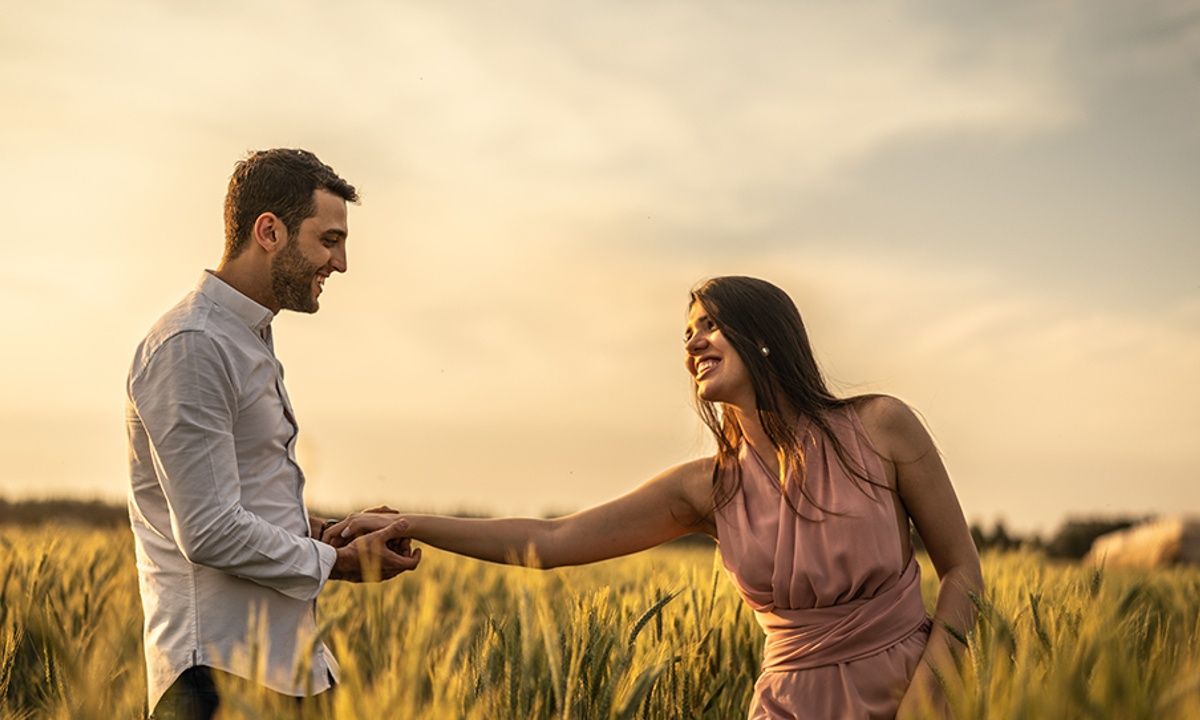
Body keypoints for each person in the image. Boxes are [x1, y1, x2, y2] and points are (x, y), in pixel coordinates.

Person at [331, 276, 982, 719]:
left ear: (765, 335)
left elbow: (962, 568)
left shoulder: (880, 425)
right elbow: (554, 541)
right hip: (788, 705)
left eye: (710, 326)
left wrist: (930, 691)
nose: (693, 343)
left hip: (912, 694)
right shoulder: (708, 486)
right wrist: (410, 519)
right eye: (687, 334)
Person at [126, 148, 421, 720]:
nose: (340, 264)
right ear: (269, 231)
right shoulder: (193, 346)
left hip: (287, 668)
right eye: (328, 240)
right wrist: (337, 563)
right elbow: (209, 531)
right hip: (215, 675)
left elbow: (240, 497)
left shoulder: (244, 337)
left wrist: (327, 533)